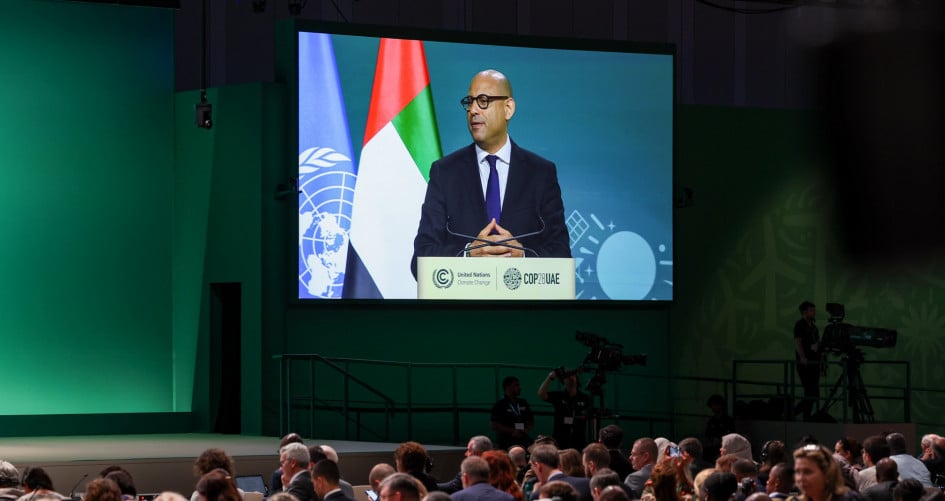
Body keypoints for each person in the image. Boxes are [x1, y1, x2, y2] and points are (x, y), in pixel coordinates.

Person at [410, 69, 571, 277]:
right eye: (470, 102)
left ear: (508, 109)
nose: (473, 110)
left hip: (521, 306)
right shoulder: (445, 173)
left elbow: (561, 256)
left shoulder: (541, 174)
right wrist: (468, 255)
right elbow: (421, 259)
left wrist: (521, 257)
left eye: (483, 101)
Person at [539, 371, 593, 450]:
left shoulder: (585, 398)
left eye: (572, 375)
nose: (570, 378)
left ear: (576, 379)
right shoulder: (559, 396)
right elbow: (542, 394)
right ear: (563, 381)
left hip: (578, 439)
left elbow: (588, 414)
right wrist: (549, 378)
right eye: (567, 376)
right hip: (560, 439)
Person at [792, 444, 859, 501]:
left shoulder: (849, 499)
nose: (800, 478)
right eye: (797, 472)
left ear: (826, 473)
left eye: (807, 472)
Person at [794, 301, 822, 421]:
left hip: (814, 363)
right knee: (810, 392)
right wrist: (802, 357)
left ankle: (806, 417)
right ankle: (793, 414)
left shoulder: (814, 327)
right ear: (804, 312)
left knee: (813, 394)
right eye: (811, 310)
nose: (814, 312)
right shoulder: (800, 325)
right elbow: (798, 341)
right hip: (805, 364)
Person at [490, 376, 535, 450]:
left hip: (523, 438)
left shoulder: (523, 402)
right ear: (508, 387)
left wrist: (527, 429)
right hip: (506, 441)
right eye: (516, 385)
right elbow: (494, 425)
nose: (520, 388)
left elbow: (531, 420)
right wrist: (512, 431)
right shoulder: (500, 405)